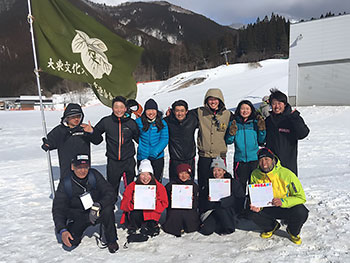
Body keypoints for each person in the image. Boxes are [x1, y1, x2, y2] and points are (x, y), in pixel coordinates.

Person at [52, 154, 119, 253]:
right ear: (72, 167)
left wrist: (99, 205)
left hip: (96, 211)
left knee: (108, 209)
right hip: (78, 216)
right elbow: (58, 208)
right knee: (71, 242)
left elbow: (110, 193)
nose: (83, 171)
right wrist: (62, 230)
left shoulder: (94, 175)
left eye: (85, 167)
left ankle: (111, 240)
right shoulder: (66, 183)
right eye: (79, 167)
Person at [249, 148, 309, 245]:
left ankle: (292, 231)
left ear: (273, 159)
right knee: (250, 212)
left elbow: (301, 197)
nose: (264, 163)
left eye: (267, 159)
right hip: (267, 207)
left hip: (285, 207)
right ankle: (271, 227)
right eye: (261, 160)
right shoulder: (255, 174)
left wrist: (283, 201)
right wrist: (256, 205)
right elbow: (254, 195)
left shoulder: (287, 174)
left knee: (301, 212)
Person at [94, 96, 139, 201]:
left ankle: (129, 208)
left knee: (130, 187)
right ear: (112, 108)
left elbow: (139, 139)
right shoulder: (106, 121)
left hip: (128, 160)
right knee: (112, 188)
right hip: (113, 161)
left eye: (121, 107)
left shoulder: (131, 123)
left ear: (125, 108)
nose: (118, 110)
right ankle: (111, 208)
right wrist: (90, 131)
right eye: (116, 107)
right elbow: (96, 135)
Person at [41, 103, 102, 179]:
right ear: (67, 117)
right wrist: (47, 144)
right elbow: (50, 141)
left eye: (78, 116)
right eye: (73, 117)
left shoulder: (85, 128)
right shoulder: (60, 130)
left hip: (83, 164)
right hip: (67, 165)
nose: (76, 119)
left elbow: (98, 140)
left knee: (83, 183)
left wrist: (92, 132)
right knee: (67, 184)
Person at [225, 100, 266, 210]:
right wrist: (231, 132)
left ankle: (254, 209)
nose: (245, 111)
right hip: (240, 160)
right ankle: (239, 210)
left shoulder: (255, 123)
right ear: (239, 110)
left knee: (254, 186)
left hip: (254, 159)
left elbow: (261, 140)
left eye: (247, 109)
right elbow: (229, 141)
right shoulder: (234, 123)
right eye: (243, 109)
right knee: (239, 186)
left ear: (251, 110)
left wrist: (262, 129)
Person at [196, 88, 234, 196]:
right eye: (210, 99)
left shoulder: (227, 114)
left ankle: (220, 209)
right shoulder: (200, 112)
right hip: (204, 155)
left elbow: (242, 118)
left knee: (220, 184)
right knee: (204, 183)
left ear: (220, 100)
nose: (213, 102)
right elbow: (183, 115)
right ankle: (204, 209)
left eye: (216, 99)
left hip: (220, 155)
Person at [120, 159, 168, 240]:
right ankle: (134, 225)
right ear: (139, 175)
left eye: (148, 175)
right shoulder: (131, 186)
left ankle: (151, 224)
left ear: (151, 175)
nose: (145, 178)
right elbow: (123, 205)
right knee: (134, 213)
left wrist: (155, 202)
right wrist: (132, 202)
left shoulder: (159, 187)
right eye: (142, 175)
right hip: (136, 215)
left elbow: (164, 203)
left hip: (152, 214)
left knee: (151, 213)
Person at [265, 89, 310, 176]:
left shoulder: (292, 118)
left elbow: (303, 134)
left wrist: (295, 118)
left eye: (279, 103)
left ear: (285, 104)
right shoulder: (268, 121)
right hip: (271, 164)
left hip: (288, 163)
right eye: (274, 103)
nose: (276, 106)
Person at [199, 157, 245, 235]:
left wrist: (227, 200)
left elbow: (240, 199)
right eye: (214, 170)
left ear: (224, 171)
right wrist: (208, 200)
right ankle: (218, 223)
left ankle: (226, 224)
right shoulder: (208, 183)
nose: (217, 173)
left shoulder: (233, 183)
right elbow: (202, 203)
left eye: (219, 170)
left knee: (227, 225)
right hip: (212, 210)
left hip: (228, 210)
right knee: (206, 230)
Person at [164, 100, 199, 181]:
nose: (180, 114)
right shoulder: (168, 121)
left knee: (189, 185)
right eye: (177, 111)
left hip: (189, 158)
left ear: (187, 111)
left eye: (182, 111)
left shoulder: (193, 119)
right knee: (174, 185)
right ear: (173, 111)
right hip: (175, 159)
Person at [162, 163, 200, 237]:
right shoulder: (170, 185)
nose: (184, 175)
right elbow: (165, 201)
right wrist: (171, 198)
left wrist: (193, 200)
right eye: (181, 173)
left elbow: (197, 203)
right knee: (174, 217)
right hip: (175, 208)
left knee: (191, 221)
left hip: (188, 208)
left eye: (186, 173)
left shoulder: (193, 186)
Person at [135, 99, 169, 182]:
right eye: (148, 110)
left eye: (153, 110)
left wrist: (156, 151)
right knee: (143, 180)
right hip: (142, 156)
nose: (151, 113)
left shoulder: (162, 122)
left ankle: (157, 195)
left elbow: (164, 139)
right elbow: (133, 132)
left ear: (156, 111)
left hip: (157, 157)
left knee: (156, 180)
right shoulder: (139, 122)